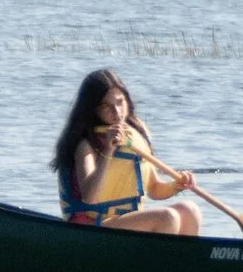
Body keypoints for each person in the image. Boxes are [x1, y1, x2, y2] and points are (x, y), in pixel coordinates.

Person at [52, 69, 201, 234]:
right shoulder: (85, 145)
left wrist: (176, 185)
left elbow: (154, 188)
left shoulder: (135, 134)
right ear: (92, 109)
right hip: (91, 225)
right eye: (106, 106)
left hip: (123, 221)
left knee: (190, 210)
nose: (117, 112)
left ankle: (183, 259)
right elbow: (90, 197)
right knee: (167, 217)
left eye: (120, 102)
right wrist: (108, 149)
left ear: (128, 101)